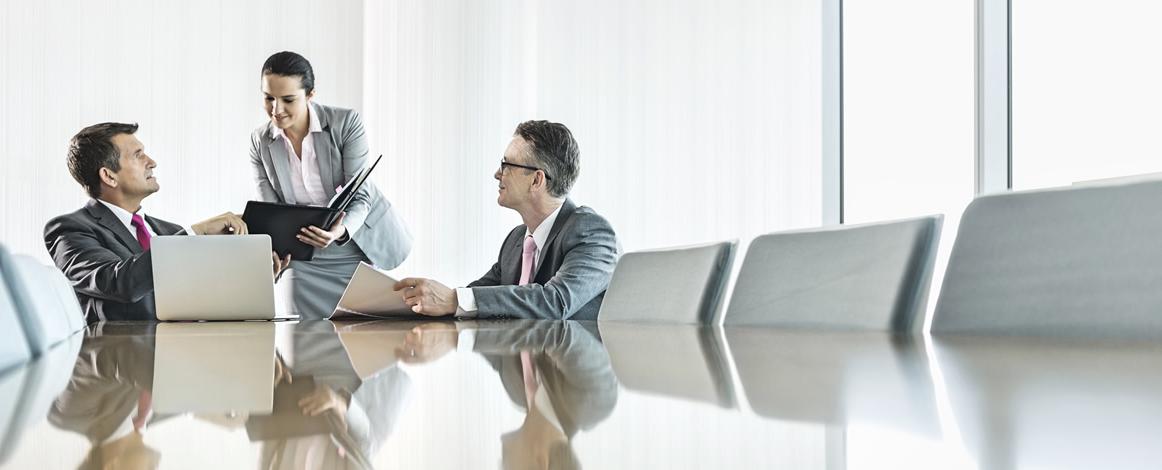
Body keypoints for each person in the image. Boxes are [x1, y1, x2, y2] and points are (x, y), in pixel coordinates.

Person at [44, 122, 281, 323]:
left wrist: (256, 279)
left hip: (187, 355)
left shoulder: (168, 232)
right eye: (138, 155)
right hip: (120, 363)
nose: (152, 162)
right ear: (108, 176)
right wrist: (195, 234)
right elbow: (119, 283)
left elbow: (202, 298)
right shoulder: (69, 230)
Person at [395, 120, 618, 320]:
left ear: (536, 180)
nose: (497, 174)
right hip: (516, 360)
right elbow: (473, 299)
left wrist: (454, 300)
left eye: (506, 165)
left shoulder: (591, 232)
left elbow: (556, 301)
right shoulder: (516, 240)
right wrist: (417, 301)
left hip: (566, 364)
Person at [249, 51, 411, 319]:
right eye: (269, 98)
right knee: (300, 343)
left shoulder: (346, 124)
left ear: (310, 95)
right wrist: (273, 250)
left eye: (288, 100)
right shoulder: (260, 141)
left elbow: (361, 197)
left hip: (353, 242)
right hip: (302, 255)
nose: (276, 110)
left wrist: (339, 231)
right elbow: (270, 210)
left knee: (364, 340)